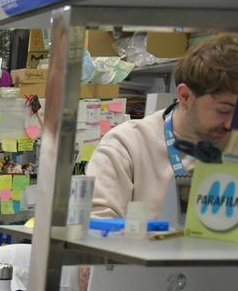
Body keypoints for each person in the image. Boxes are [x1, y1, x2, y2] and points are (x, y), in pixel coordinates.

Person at [87, 33, 237, 221]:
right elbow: (97, 227)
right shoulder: (126, 145)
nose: (231, 124)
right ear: (185, 97)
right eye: (223, 110)